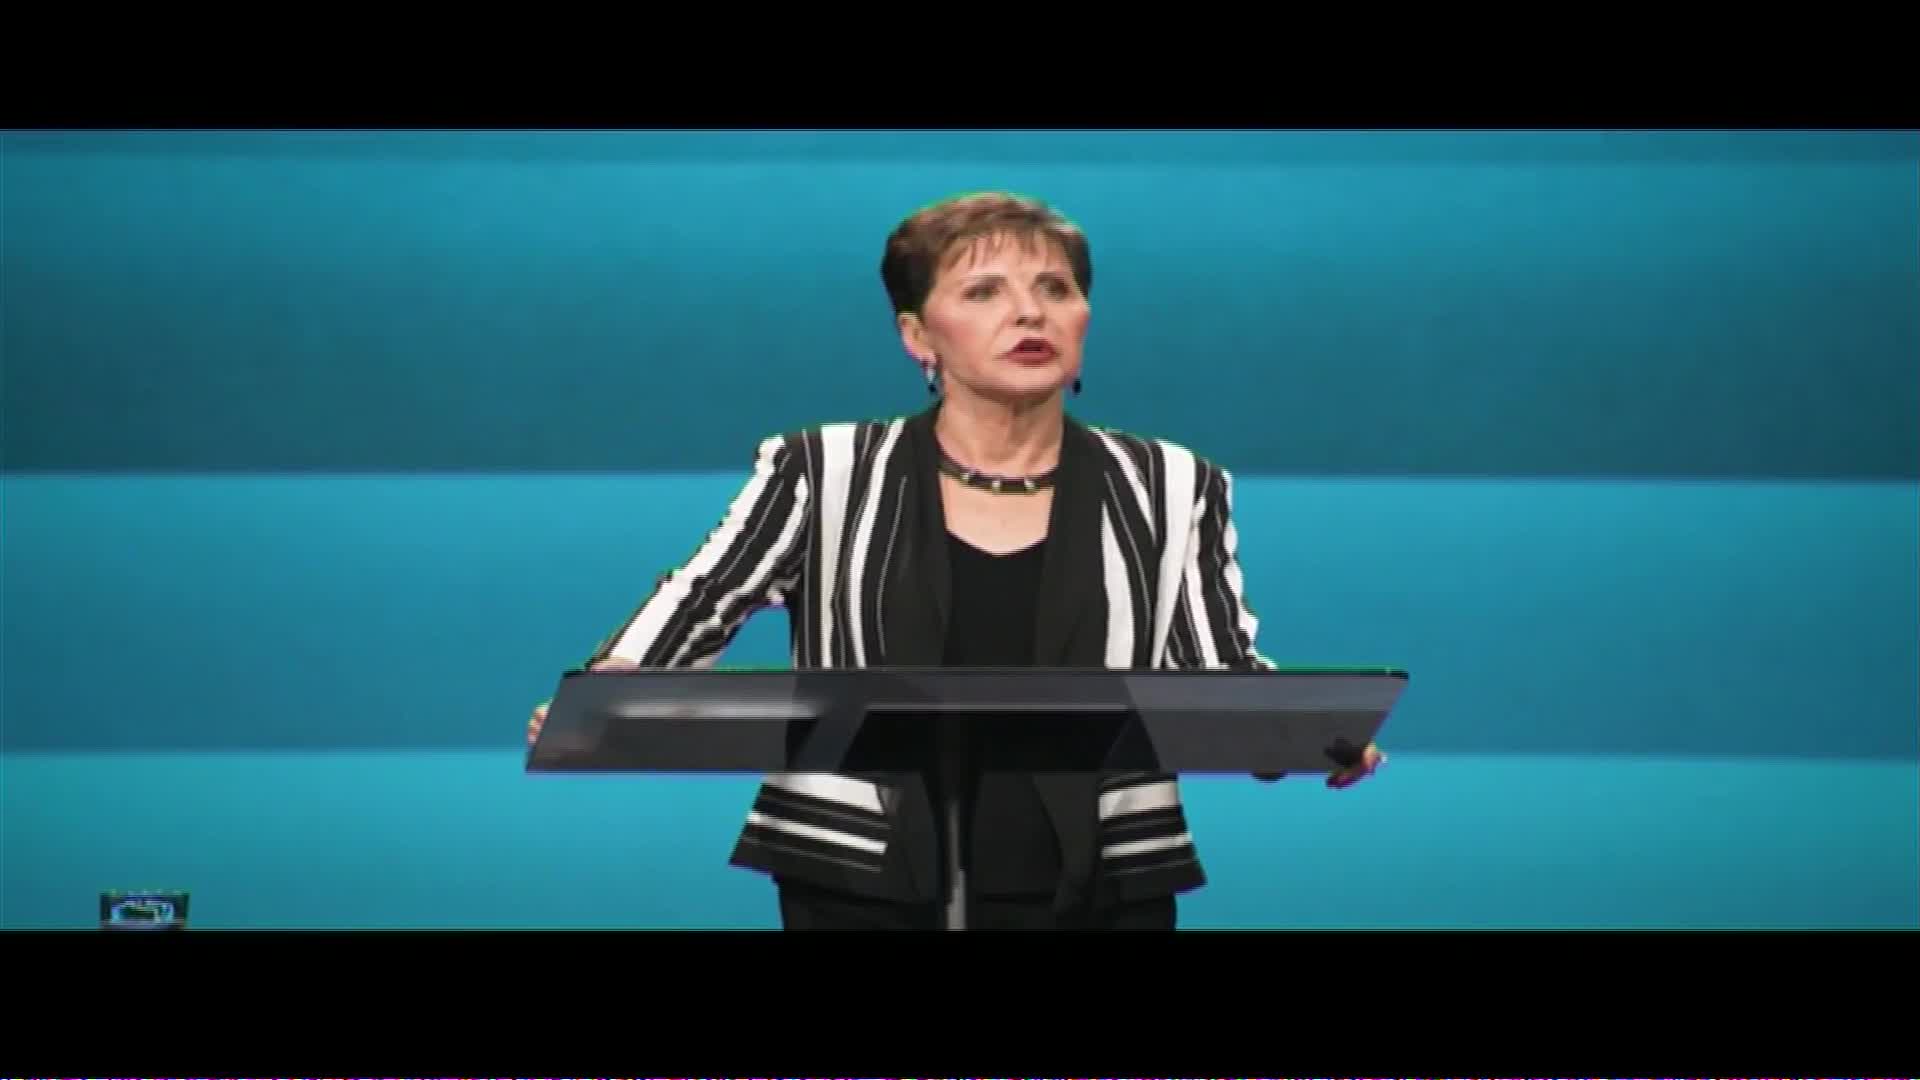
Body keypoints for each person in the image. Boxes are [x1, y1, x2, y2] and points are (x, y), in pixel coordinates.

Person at [527, 191, 1386, 930]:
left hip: (1107, 885)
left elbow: (1216, 669)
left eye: (1056, 288)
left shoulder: (1171, 482)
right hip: (856, 880)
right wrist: (609, 691)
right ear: (917, 335)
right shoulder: (822, 469)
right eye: (985, 290)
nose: (1031, 312)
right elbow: (703, 596)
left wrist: (1308, 733)